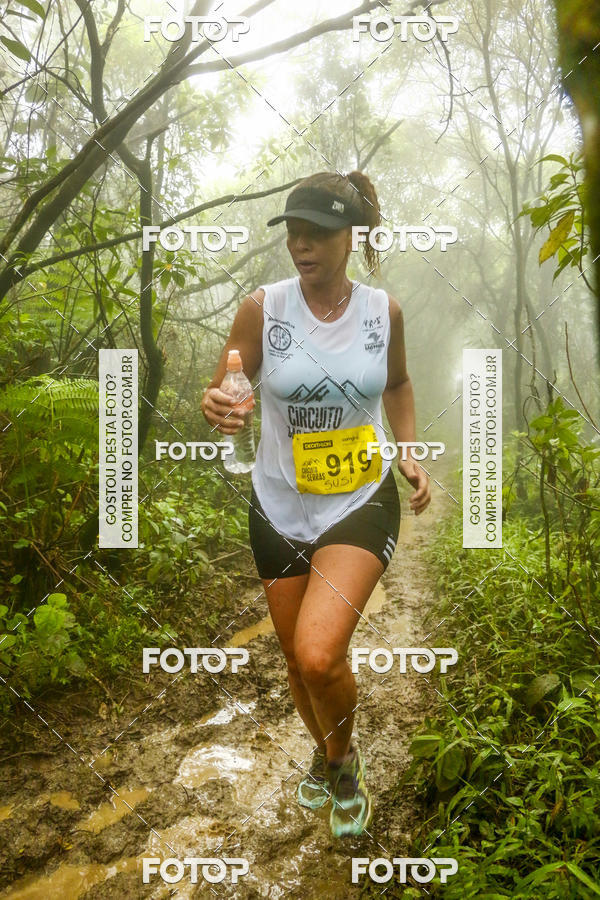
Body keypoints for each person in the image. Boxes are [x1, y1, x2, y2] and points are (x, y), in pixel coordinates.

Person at [201, 171, 431, 838]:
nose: (303, 246)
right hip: (277, 505)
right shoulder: (262, 309)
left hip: (359, 499)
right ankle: (330, 755)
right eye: (294, 233)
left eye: (318, 234)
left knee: (321, 653)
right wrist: (219, 405)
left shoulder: (382, 312)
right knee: (298, 662)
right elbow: (226, 389)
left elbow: (400, 382)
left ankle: (344, 764)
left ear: (351, 235)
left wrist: (410, 449)